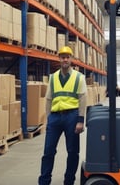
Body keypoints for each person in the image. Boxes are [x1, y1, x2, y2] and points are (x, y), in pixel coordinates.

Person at [38, 46, 87, 185]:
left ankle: (69, 181)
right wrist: (48, 118)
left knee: (72, 152)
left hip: (72, 116)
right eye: (62, 57)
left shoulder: (79, 77)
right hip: (55, 117)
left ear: (71, 59)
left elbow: (83, 99)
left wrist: (80, 120)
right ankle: (44, 181)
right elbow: (48, 99)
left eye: (67, 57)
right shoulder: (53, 78)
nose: (65, 59)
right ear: (59, 59)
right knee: (48, 151)